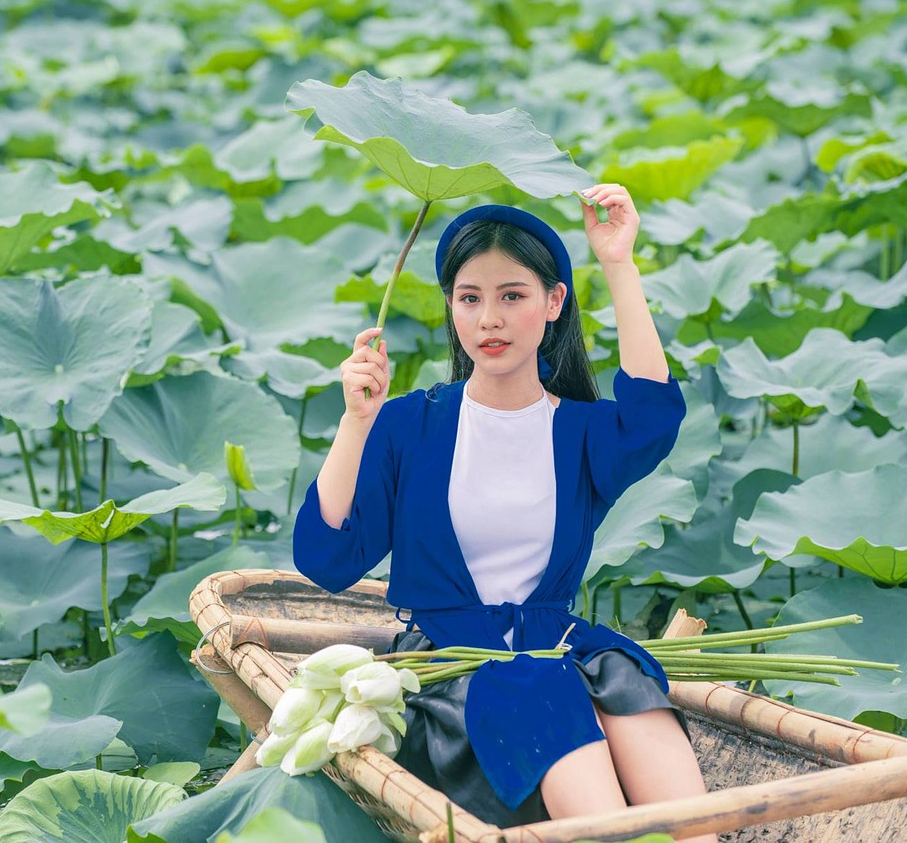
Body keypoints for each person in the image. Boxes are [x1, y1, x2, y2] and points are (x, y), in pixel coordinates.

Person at [292, 185, 715, 841]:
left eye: (511, 296)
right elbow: (328, 559)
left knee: (629, 681)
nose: (488, 318)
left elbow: (654, 416)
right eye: (470, 298)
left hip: (560, 647)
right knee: (539, 697)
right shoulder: (412, 424)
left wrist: (618, 263)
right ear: (453, 309)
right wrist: (356, 422)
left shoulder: (579, 435)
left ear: (553, 304)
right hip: (450, 667)